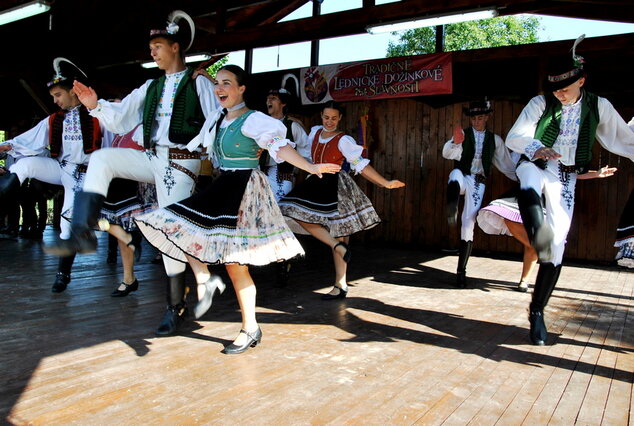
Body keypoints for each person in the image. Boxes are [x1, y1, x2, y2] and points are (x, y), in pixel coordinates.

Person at [134, 64, 341, 354]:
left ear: (242, 89)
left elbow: (279, 148)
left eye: (227, 83)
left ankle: (250, 327)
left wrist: (308, 166)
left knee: (235, 265)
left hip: (244, 189)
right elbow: (193, 147)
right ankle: (206, 279)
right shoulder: (217, 119)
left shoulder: (254, 120)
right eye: (217, 83)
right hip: (223, 186)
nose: (220, 88)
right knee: (175, 227)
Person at [44, 11, 222, 332]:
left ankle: (174, 305)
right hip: (152, 158)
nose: (152, 52)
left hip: (180, 163)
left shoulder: (199, 83)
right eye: (151, 47)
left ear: (177, 47)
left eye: (157, 46)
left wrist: (211, 157)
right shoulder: (150, 86)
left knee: (169, 230)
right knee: (104, 158)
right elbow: (122, 118)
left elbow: (215, 123)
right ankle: (86, 219)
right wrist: (94, 104)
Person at [505, 34, 634, 345]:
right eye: (555, 88)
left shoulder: (599, 106)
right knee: (529, 181)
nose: (559, 93)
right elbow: (516, 135)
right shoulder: (540, 102)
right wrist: (537, 148)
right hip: (535, 165)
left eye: (565, 87)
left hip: (567, 176)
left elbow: (623, 137)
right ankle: (536, 227)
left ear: (582, 80)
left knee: (557, 246)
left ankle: (537, 312)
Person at [0, 57, 113, 292]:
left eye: (58, 95)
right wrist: (7, 145)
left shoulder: (98, 113)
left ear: (73, 91)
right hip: (61, 168)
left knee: (66, 222)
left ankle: (63, 274)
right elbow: (29, 141)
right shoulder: (54, 119)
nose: (55, 100)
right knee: (26, 164)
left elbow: (116, 140)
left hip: (85, 175)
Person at [278, 100, 405, 300]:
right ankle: (335, 246)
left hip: (336, 185)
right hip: (316, 180)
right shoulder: (314, 133)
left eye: (334, 118)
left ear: (340, 118)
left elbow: (361, 165)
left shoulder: (344, 140)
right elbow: (301, 148)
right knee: (288, 209)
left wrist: (385, 183)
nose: (330, 121)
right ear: (321, 116)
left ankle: (340, 284)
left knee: (341, 234)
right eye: (326, 117)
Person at [477, 166, 617, 292]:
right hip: (527, 192)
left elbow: (573, 173)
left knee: (535, 241)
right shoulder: (534, 152)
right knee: (508, 216)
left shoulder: (562, 158)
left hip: (548, 200)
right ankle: (537, 247)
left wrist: (597, 173)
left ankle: (524, 280)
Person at [442, 99, 517, 288]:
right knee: (455, 175)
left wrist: (521, 177)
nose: (476, 122)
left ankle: (461, 272)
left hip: (478, 182)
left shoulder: (495, 140)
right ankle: (452, 209)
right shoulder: (464, 135)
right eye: (473, 118)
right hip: (463, 175)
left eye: (480, 118)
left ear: (487, 117)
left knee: (468, 225)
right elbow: (447, 154)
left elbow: (506, 164)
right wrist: (454, 142)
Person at [262, 87, 310, 286]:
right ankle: (276, 255)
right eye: (268, 98)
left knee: (280, 216)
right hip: (262, 174)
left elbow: (306, 150)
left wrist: (300, 172)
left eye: (273, 98)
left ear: (282, 104)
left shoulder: (293, 126)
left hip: (282, 175)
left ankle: (284, 259)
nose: (269, 102)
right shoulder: (262, 124)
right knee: (265, 216)